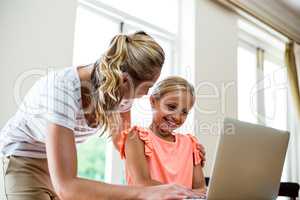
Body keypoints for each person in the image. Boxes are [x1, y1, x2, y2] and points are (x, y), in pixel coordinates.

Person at [0, 31, 204, 200]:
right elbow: (68, 188)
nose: (148, 93)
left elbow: (123, 141)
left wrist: (179, 150)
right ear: (125, 80)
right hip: (24, 159)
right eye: (148, 87)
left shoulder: (121, 92)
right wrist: (145, 191)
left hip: (59, 167)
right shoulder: (61, 90)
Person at [117, 76, 207, 197]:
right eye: (171, 107)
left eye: (184, 112)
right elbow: (142, 184)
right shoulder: (136, 138)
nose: (177, 117)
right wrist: (186, 193)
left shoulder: (190, 144)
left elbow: (201, 189)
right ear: (153, 102)